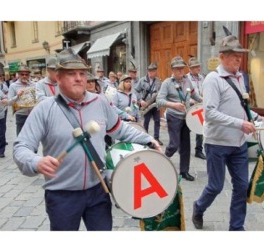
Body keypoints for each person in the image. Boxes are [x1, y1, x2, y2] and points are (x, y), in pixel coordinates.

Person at [13, 48, 161, 231]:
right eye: (71, 74)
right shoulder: (44, 109)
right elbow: (22, 147)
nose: (79, 78)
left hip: (98, 190)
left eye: (82, 73)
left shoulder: (100, 102)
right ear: (58, 78)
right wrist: (36, 161)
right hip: (61, 195)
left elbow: (120, 129)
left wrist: (148, 140)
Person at [192, 35, 256, 231]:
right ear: (222, 57)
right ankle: (198, 207)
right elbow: (209, 113)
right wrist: (240, 123)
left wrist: (257, 118)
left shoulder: (240, 77)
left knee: (242, 187)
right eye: (234, 56)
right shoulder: (213, 79)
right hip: (217, 143)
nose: (239, 59)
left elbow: (241, 107)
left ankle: (236, 228)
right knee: (216, 186)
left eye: (240, 56)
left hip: (238, 143)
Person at [157, 56, 202, 181]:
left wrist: (204, 101)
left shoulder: (187, 80)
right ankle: (163, 160)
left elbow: (194, 94)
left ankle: (184, 171)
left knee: (186, 146)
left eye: (182, 68)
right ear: (172, 70)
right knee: (174, 144)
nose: (181, 71)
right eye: (177, 69)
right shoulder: (167, 83)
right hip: (174, 117)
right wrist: (173, 105)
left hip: (186, 117)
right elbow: (159, 100)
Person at [135, 62, 163, 146]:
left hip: (155, 104)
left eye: (153, 71)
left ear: (156, 71)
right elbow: (136, 91)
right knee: (146, 121)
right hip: (146, 104)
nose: (151, 73)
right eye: (149, 71)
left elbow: (160, 92)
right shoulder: (142, 80)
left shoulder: (158, 81)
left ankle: (156, 138)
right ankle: (145, 138)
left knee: (157, 121)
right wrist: (140, 100)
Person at [8, 64, 36, 136]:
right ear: (18, 75)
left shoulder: (33, 84)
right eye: (22, 74)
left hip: (32, 114)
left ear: (29, 75)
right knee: (21, 136)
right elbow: (9, 102)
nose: (24, 76)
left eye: (26, 74)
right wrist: (17, 96)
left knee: (33, 136)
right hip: (21, 115)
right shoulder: (13, 86)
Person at [186, 57, 206, 159]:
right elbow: (185, 94)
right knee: (187, 128)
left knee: (200, 128)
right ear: (189, 68)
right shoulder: (186, 78)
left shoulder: (202, 78)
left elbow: (204, 90)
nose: (198, 68)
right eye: (195, 67)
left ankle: (199, 150)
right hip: (189, 106)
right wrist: (191, 100)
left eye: (198, 66)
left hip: (200, 106)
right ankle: (184, 148)